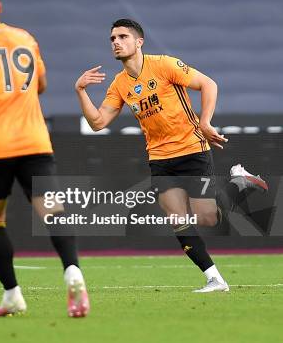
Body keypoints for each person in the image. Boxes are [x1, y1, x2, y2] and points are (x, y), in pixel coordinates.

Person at [74, 18, 267, 293]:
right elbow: (98, 123)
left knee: (207, 218)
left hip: (191, 149)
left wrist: (205, 122)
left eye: (122, 37)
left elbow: (208, 84)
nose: (116, 42)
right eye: (112, 39)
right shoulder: (119, 84)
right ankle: (215, 278)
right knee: (177, 221)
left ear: (139, 42)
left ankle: (239, 181)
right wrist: (80, 91)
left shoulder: (164, 64)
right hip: (159, 158)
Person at [0, 0, 89, 317]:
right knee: (52, 211)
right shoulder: (25, 38)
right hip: (34, 141)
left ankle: (12, 293)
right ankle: (72, 269)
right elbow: (40, 84)